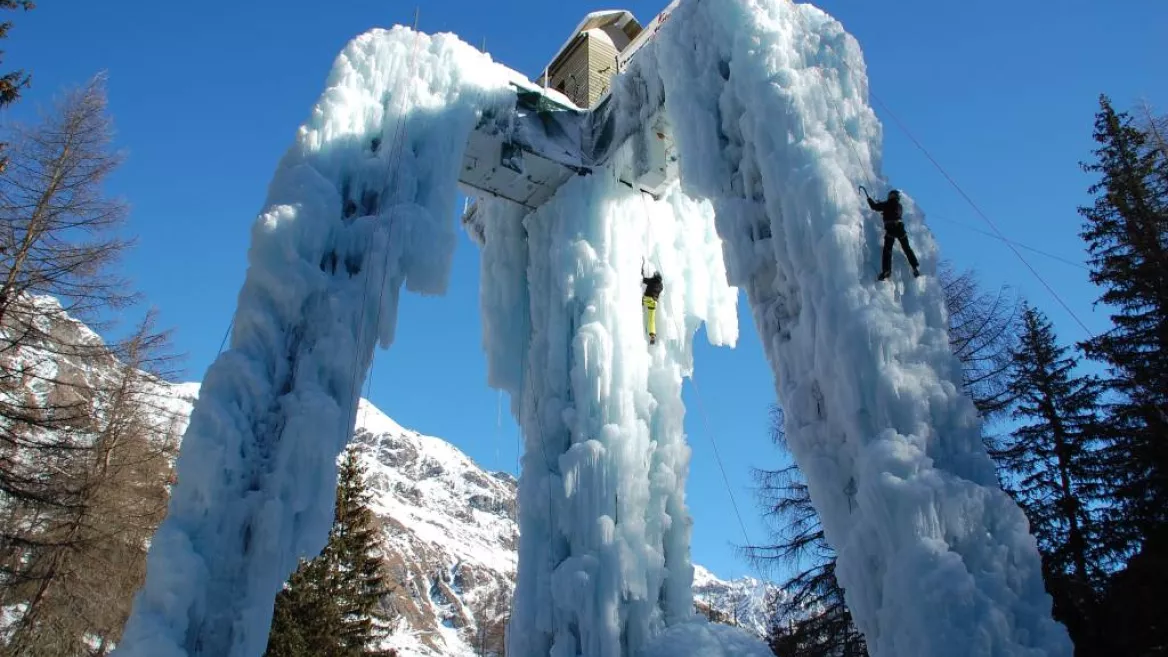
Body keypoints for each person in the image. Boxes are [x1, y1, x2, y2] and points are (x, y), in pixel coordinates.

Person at [865, 188, 920, 281]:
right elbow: (892, 212)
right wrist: (884, 210)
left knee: (887, 250)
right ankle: (915, 267)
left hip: (890, 228)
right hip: (900, 228)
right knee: (907, 248)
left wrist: (869, 199)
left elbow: (874, 207)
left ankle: (886, 271)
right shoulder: (899, 206)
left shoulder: (886, 204)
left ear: (892, 196)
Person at [642, 270, 663, 344]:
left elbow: (643, 280)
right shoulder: (661, 286)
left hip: (648, 299)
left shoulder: (652, 280)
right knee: (652, 320)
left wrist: (642, 272)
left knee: (639, 300)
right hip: (654, 303)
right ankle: (652, 335)